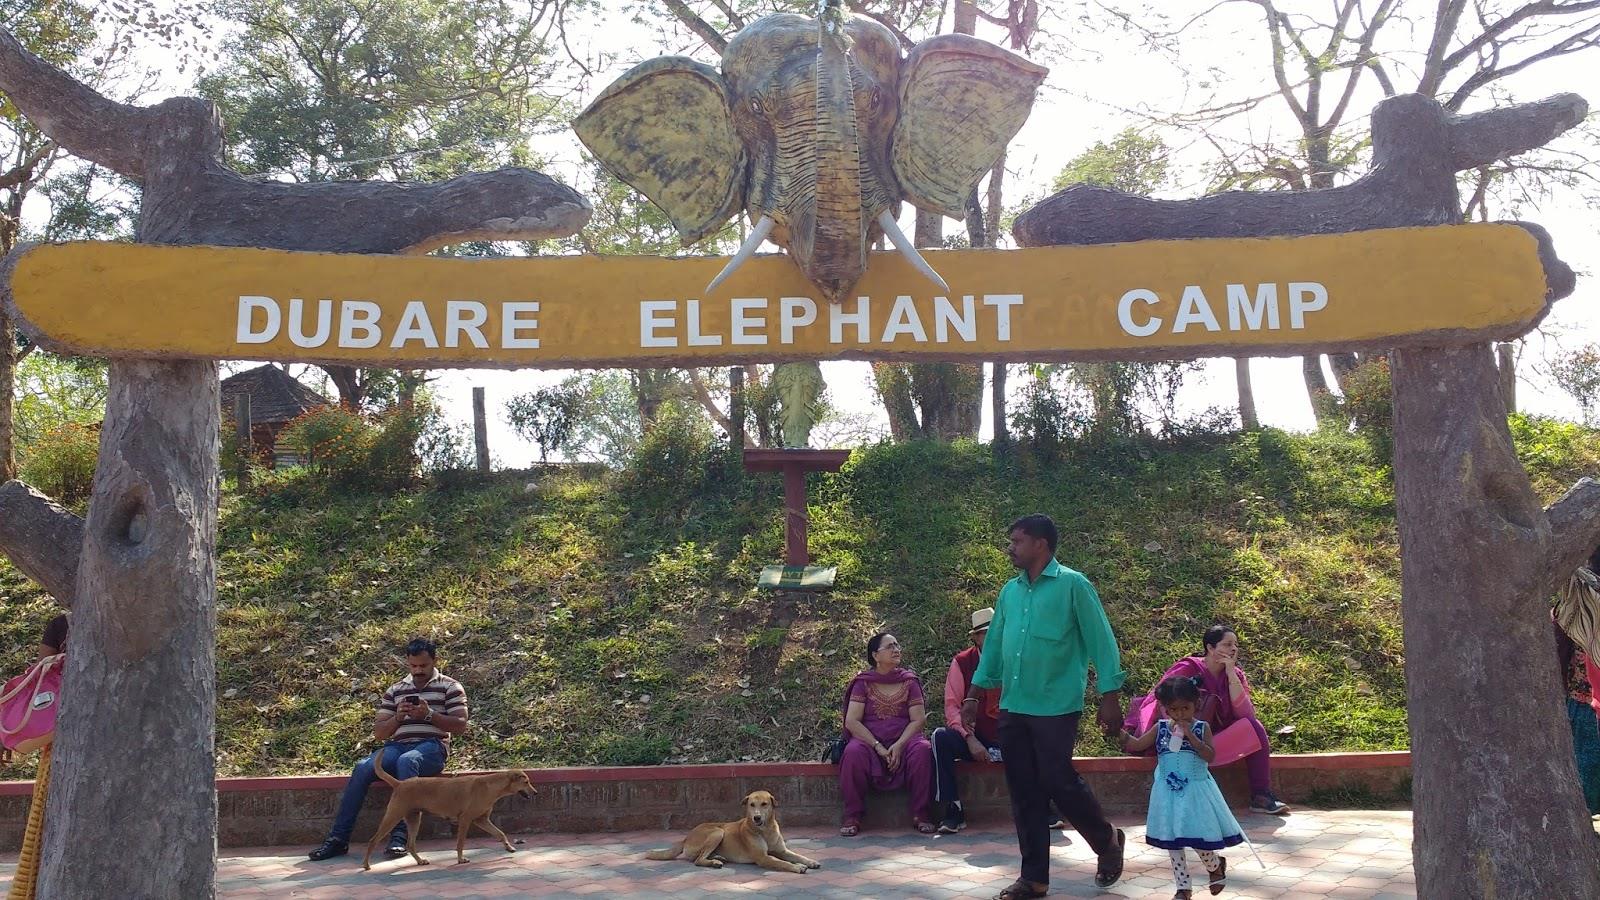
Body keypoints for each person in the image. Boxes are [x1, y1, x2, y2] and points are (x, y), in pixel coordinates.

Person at [964, 514, 1128, 899]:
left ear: (1040, 544)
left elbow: (1102, 641)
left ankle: (1106, 842)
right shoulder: (1010, 592)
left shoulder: (1074, 586)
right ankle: (1034, 878)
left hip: (1056, 705)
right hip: (1015, 705)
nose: (1010, 548)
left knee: (1057, 779)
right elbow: (995, 648)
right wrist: (973, 695)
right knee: (1023, 790)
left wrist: (1110, 696)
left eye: (1017, 541)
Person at [308, 637, 469, 861]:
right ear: (407, 662)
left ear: (434, 660)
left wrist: (429, 715)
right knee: (363, 767)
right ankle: (338, 839)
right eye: (413, 666)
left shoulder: (450, 687)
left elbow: (460, 725)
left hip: (432, 747)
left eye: (423, 665)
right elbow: (380, 733)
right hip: (397, 745)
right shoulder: (396, 689)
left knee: (408, 761)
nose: (418, 670)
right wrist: (398, 717)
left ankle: (399, 838)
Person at [1127, 625, 1290, 815]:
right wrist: (1182, 728)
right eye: (1227, 644)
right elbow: (1162, 701)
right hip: (1179, 738)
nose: (1233, 649)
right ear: (1210, 648)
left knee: (1254, 727)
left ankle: (1261, 796)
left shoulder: (1235, 674)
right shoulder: (1188, 668)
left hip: (1210, 739)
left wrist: (1230, 673)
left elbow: (1245, 714)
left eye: (1236, 645)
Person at [934, 607, 1065, 835]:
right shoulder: (963, 662)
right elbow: (952, 707)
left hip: (1013, 735)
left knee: (1042, 736)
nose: (995, 638)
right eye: (986, 633)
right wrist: (970, 739)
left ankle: (1043, 806)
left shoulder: (1019, 659)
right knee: (940, 738)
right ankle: (953, 809)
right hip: (977, 737)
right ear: (975, 637)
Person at [1122, 675, 1245, 900]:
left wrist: (1191, 737)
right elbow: (1137, 744)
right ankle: (1183, 888)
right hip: (1168, 794)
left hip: (1194, 793)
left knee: (1197, 836)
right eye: (1174, 710)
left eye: (1185, 708)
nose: (1180, 715)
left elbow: (1209, 755)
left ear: (1195, 704)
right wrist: (1117, 731)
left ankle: (1215, 865)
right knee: (1174, 841)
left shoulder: (1201, 728)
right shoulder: (1160, 729)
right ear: (1165, 709)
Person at [838, 631, 936, 836]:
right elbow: (852, 721)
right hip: (870, 741)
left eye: (897, 645)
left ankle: (921, 813)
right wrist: (878, 746)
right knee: (853, 752)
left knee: (923, 750)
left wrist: (899, 745)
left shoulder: (909, 681)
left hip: (905, 740)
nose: (896, 649)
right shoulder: (863, 682)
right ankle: (852, 815)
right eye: (890, 646)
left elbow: (918, 719)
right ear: (875, 655)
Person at [1554, 547, 1600, 815]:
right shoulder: (1582, 601)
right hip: (1584, 702)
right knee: (1584, 779)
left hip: (1583, 701)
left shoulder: (1579, 602)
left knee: (1584, 781)